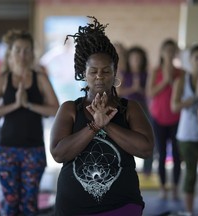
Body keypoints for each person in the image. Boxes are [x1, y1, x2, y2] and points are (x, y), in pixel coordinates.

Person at [50, 16, 155, 216]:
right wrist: (93, 127)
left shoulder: (130, 108)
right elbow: (58, 153)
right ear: (83, 73)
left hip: (121, 206)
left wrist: (107, 125)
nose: (99, 76)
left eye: (106, 71)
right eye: (93, 71)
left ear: (115, 72)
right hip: (74, 207)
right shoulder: (70, 109)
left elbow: (146, 149)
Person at [0, 29, 59, 216]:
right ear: (10, 53)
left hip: (34, 149)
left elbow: (55, 109)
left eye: (27, 50)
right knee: (10, 203)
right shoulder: (2, 79)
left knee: (29, 203)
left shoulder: (40, 78)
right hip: (6, 149)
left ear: (32, 53)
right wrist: (15, 105)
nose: (22, 55)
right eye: (18, 50)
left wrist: (29, 105)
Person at [171, 45, 198, 216]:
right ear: (191, 60)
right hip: (187, 134)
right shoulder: (182, 80)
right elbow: (174, 106)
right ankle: (189, 212)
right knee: (190, 174)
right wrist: (195, 98)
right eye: (197, 58)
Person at [146, 39, 183, 199]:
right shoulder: (155, 71)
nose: (169, 53)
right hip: (158, 117)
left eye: (172, 50)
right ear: (161, 53)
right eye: (166, 50)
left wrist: (173, 81)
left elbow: (183, 93)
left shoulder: (181, 73)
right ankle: (162, 187)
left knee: (177, 154)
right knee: (161, 154)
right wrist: (166, 81)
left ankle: (174, 187)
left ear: (175, 53)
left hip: (177, 118)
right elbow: (150, 93)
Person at [117, 46, 153, 176]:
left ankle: (147, 171)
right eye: (134, 58)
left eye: (139, 58)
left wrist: (139, 89)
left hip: (143, 108)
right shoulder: (123, 74)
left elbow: (149, 93)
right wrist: (133, 88)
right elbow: (119, 93)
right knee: (124, 137)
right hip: (126, 108)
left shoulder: (146, 74)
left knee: (146, 137)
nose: (136, 61)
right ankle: (124, 167)